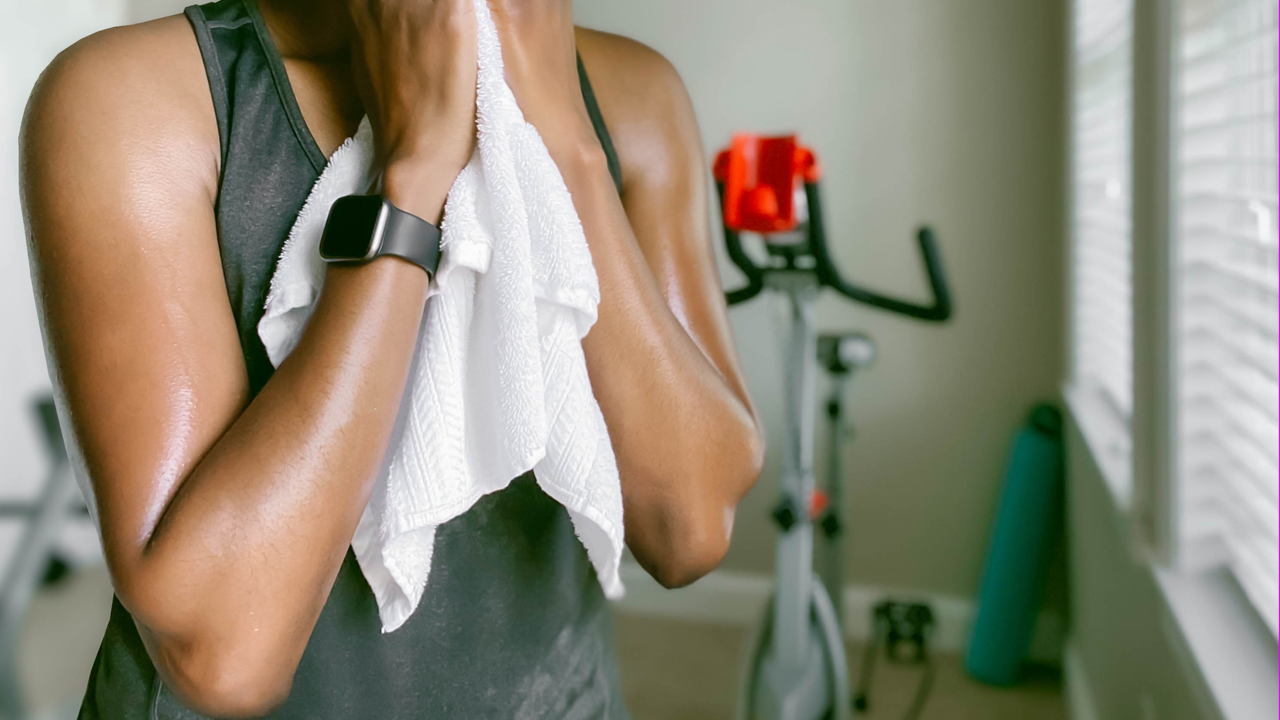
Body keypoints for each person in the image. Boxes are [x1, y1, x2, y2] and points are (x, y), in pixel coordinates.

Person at [20, 0, 763, 717]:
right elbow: (222, 659)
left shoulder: (635, 96)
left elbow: (690, 528)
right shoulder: (132, 101)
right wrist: (413, 175)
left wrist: (561, 135)